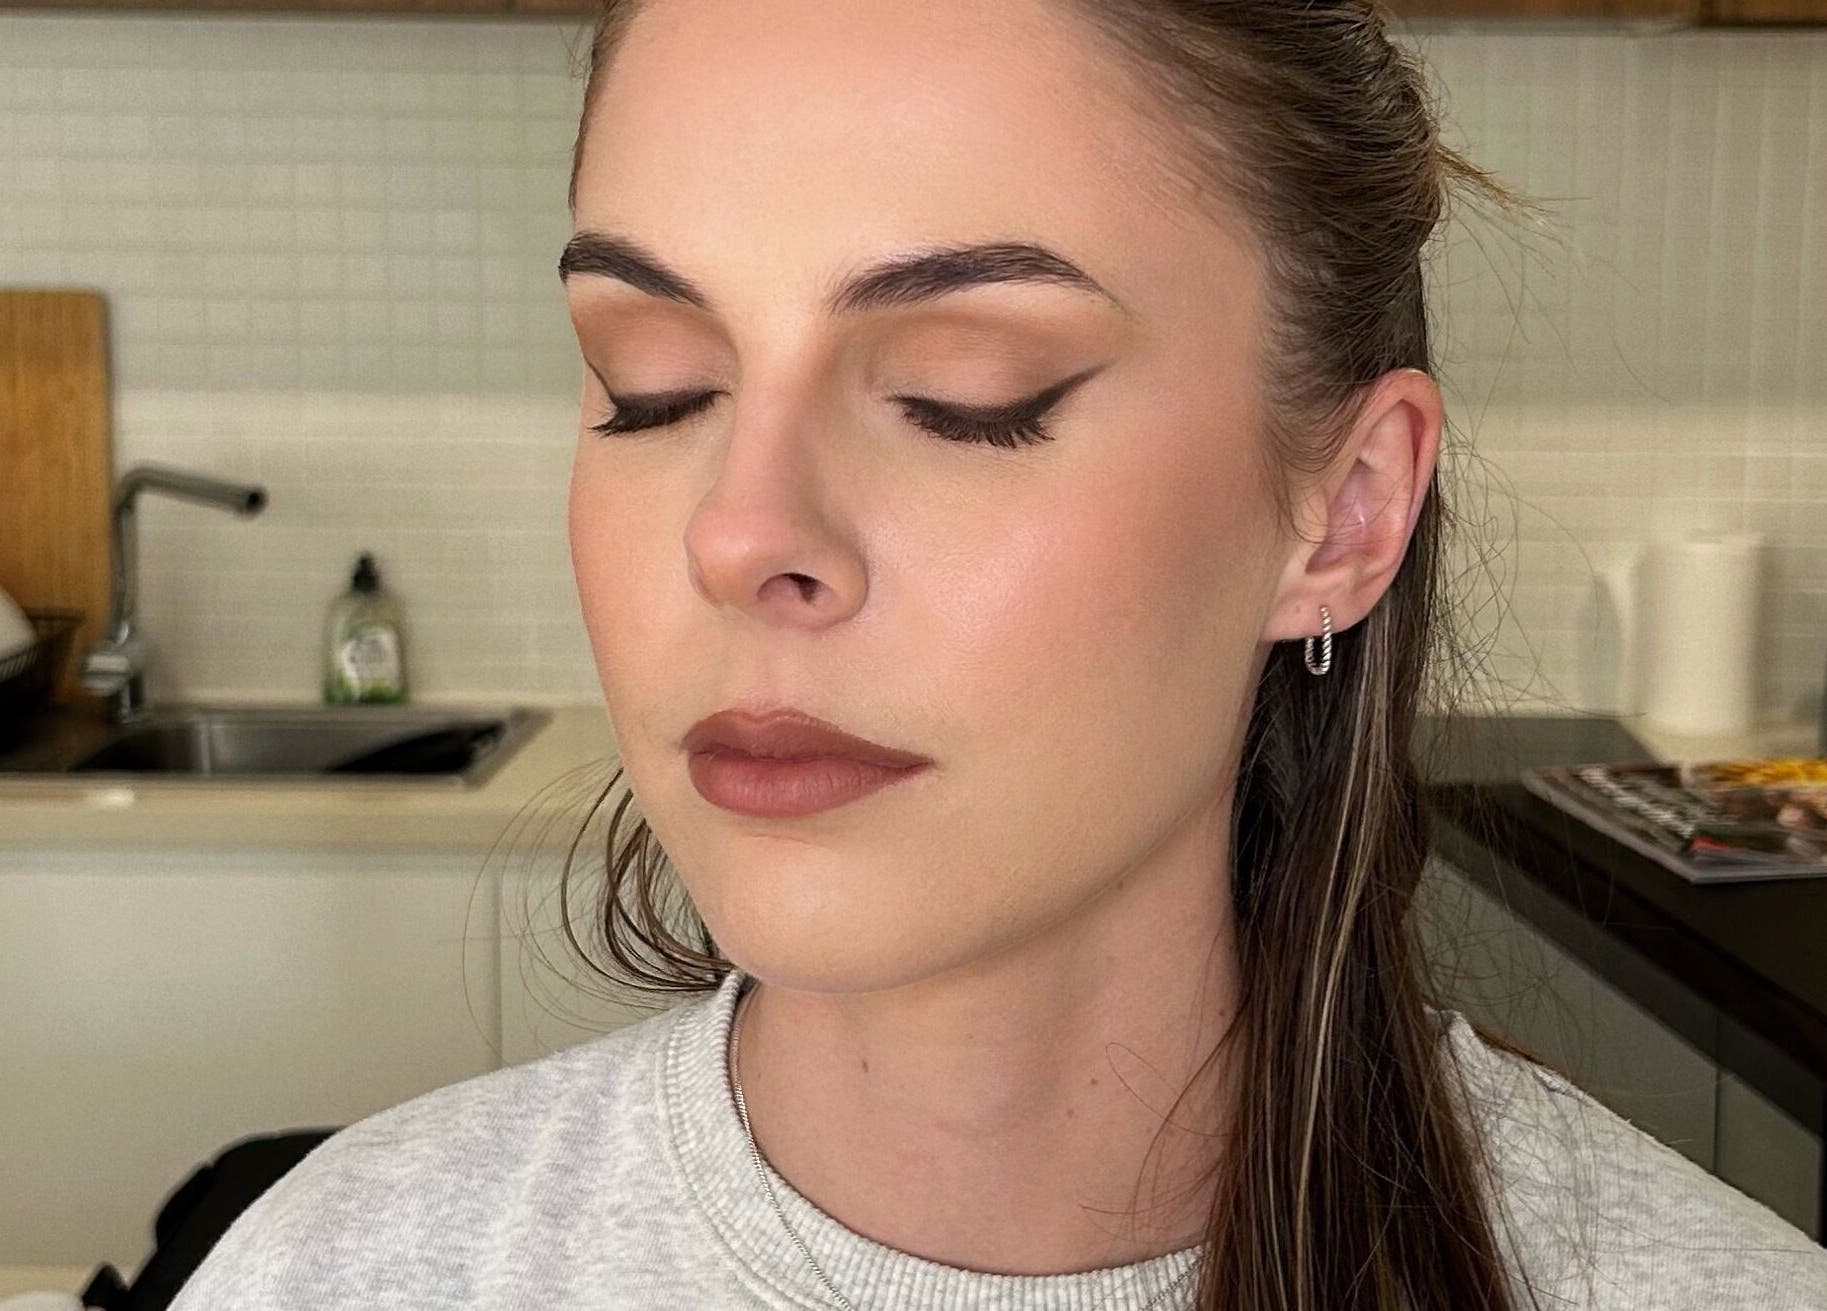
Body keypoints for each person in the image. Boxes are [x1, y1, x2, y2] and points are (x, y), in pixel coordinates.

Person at [170, 1, 1827, 1308]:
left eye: (967, 396)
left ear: (1343, 514)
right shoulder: (333, 1276)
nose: (738, 535)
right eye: (653, 388)